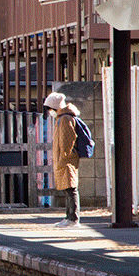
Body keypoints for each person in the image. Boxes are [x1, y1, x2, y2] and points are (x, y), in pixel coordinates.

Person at [44, 91, 81, 228]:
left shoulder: (65, 119)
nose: (49, 111)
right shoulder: (62, 118)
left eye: (50, 108)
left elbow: (67, 140)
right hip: (64, 158)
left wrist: (63, 157)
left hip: (66, 159)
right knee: (67, 189)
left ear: (55, 107)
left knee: (71, 189)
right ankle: (68, 217)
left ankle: (73, 218)